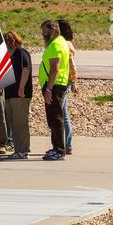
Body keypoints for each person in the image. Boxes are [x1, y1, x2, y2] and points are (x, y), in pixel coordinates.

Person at [39, 19, 72, 161]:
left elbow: (54, 69)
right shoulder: (60, 42)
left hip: (55, 86)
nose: (42, 34)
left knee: (56, 118)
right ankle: (56, 147)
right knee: (53, 118)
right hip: (56, 85)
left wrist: (49, 89)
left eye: (44, 31)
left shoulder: (56, 45)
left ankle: (59, 150)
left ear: (52, 30)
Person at [2, 31, 32, 159]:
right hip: (9, 93)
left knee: (20, 122)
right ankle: (18, 149)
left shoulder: (21, 53)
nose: (8, 42)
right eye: (6, 40)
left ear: (14, 40)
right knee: (13, 122)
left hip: (20, 94)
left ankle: (23, 150)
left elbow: (26, 69)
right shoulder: (7, 55)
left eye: (9, 40)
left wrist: (21, 87)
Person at [57, 19, 78, 156]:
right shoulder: (66, 43)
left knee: (63, 113)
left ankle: (67, 144)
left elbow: (71, 65)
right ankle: (67, 144)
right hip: (65, 80)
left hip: (64, 81)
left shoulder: (65, 45)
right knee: (63, 112)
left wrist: (74, 82)